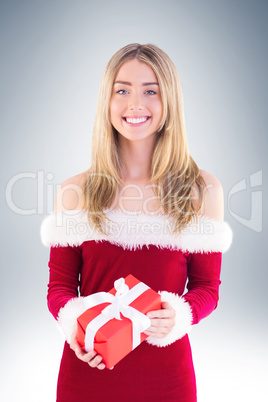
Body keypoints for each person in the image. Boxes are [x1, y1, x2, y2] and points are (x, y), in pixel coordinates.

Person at [40, 43, 233, 402]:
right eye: (122, 90)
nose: (135, 104)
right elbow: (60, 288)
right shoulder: (74, 191)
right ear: (107, 101)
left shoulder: (202, 190)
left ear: (169, 101)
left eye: (150, 91)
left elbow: (207, 287)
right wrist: (76, 327)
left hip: (167, 376)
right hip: (89, 368)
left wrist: (180, 316)